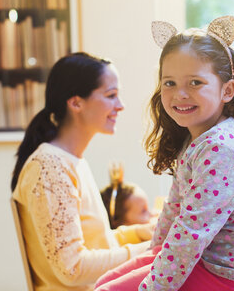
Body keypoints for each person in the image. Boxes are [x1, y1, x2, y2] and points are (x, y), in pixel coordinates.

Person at [95, 16, 234, 291]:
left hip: (227, 276)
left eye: (194, 83)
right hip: (205, 262)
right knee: (105, 283)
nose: (180, 94)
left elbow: (191, 234)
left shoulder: (221, 149)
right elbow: (174, 209)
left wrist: (151, 286)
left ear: (227, 90)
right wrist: (152, 256)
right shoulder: (198, 139)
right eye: (169, 83)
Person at [11, 52, 154, 291]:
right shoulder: (49, 166)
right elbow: (73, 268)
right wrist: (153, 248)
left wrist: (142, 233)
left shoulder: (71, 161)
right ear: (76, 102)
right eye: (111, 96)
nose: (121, 105)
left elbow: (98, 244)